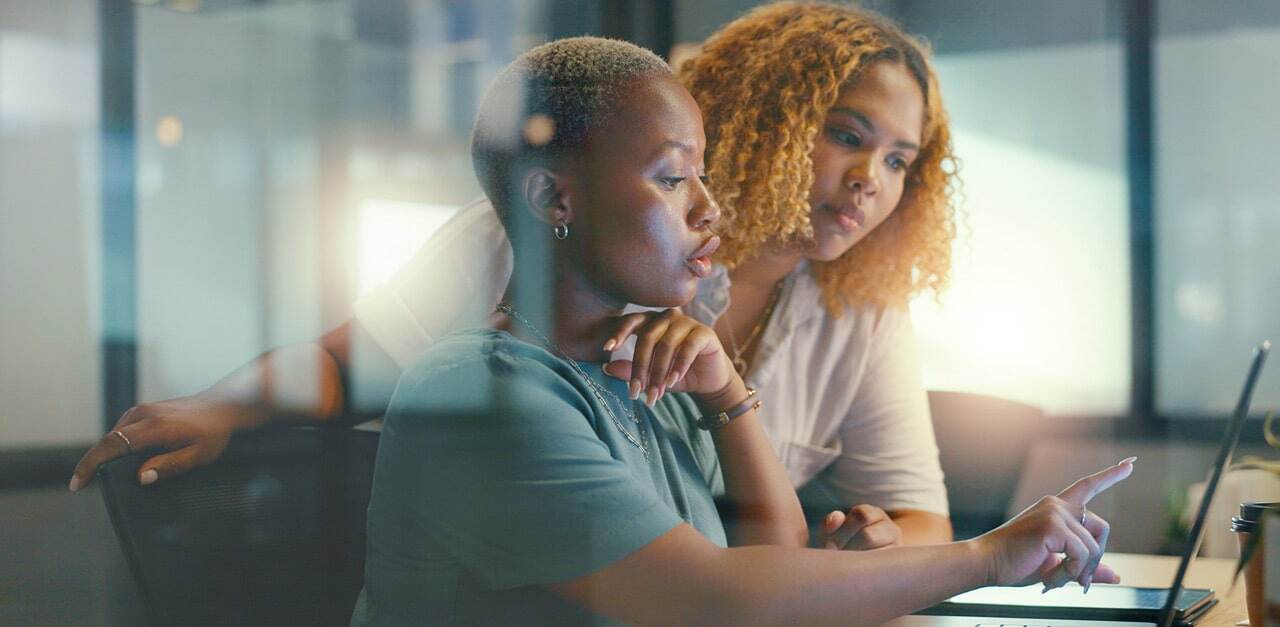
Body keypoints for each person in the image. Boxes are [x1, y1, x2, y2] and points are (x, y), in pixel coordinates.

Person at [76, 2, 947, 549]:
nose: (873, 180)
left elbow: (915, 519)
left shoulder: (861, 310)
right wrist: (229, 403)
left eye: (902, 159)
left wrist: (874, 547)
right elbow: (350, 361)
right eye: (848, 135)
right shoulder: (536, 243)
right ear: (767, 117)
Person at [352, 35, 1132, 626]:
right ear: (555, 201)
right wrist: (987, 555)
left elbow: (778, 561)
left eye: (700, 174)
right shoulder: (482, 395)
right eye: (669, 179)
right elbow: (718, 601)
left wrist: (727, 393)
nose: (707, 208)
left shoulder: (637, 369)